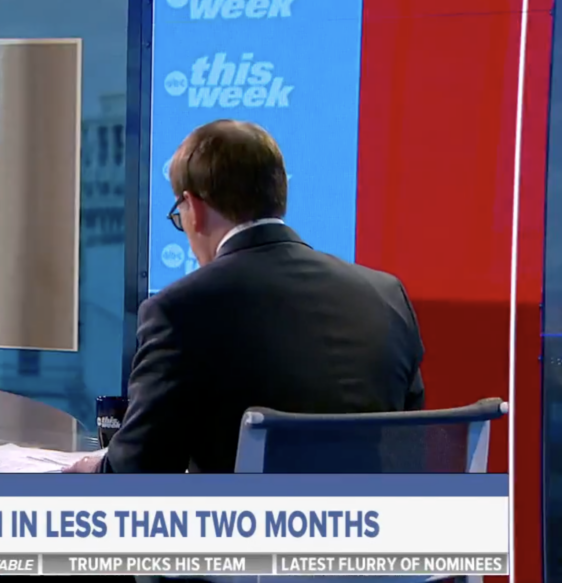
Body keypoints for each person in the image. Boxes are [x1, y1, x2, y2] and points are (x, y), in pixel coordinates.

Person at [66, 119, 425, 473]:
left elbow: (139, 473)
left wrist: (90, 472)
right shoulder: (387, 296)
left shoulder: (179, 311)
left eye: (179, 216)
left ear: (195, 208)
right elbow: (411, 446)